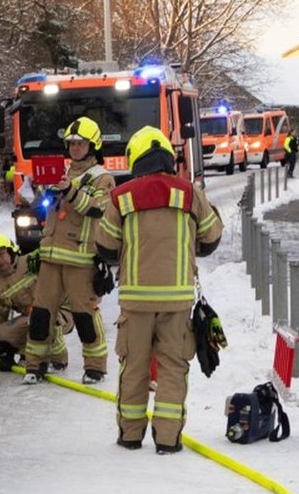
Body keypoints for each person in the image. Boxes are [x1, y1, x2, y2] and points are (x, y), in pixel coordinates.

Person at [95, 126, 223, 454]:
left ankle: (130, 435)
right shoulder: (190, 193)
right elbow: (210, 239)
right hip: (177, 299)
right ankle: (167, 440)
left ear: (135, 159)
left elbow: (105, 246)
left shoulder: (120, 197)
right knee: (173, 367)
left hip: (135, 300)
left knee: (134, 365)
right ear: (168, 156)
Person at [26, 117, 114, 385]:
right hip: (51, 256)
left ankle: (95, 367)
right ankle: (35, 365)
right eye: (71, 143)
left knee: (84, 315)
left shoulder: (102, 178)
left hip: (81, 258)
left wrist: (71, 192)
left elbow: (99, 209)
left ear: (93, 145)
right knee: (41, 314)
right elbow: (43, 208)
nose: (75, 148)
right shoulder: (60, 175)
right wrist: (36, 191)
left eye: (80, 143)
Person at [0, 234, 72, 375]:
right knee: (3, 333)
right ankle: (27, 353)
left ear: (11, 250)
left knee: (44, 317)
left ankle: (58, 361)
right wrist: (4, 353)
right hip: (32, 317)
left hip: (62, 310)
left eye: (1, 254)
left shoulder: (32, 261)